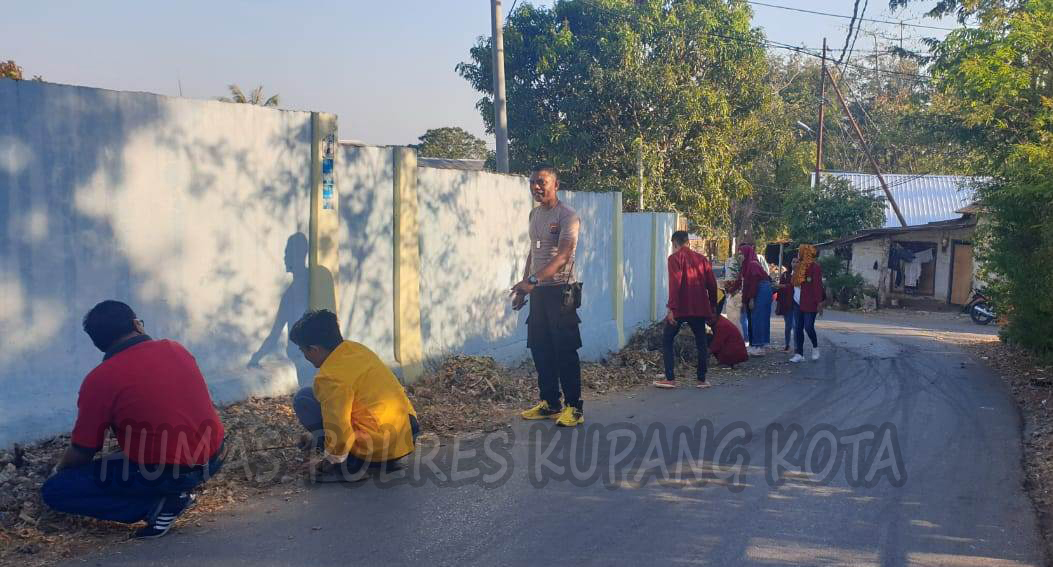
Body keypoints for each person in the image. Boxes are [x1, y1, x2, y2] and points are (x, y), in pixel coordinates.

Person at [41, 300, 225, 539]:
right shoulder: (175, 348)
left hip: (173, 471)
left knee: (56, 490)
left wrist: (59, 469)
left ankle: (156, 507)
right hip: (216, 456)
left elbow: (83, 450)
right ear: (137, 324)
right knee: (121, 458)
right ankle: (174, 490)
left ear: (99, 343)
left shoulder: (99, 380)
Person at [289, 310, 419, 481]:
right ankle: (385, 462)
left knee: (304, 398)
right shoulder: (357, 349)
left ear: (314, 349)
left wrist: (326, 464)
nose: (304, 356)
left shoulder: (329, 377)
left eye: (303, 350)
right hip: (407, 433)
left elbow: (338, 425)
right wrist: (314, 437)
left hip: (377, 446)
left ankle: (347, 468)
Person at [511, 166, 584, 427]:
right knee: (540, 349)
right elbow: (533, 253)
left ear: (556, 184)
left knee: (564, 350)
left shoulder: (568, 216)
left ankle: (574, 408)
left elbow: (563, 256)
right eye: (532, 183)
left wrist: (532, 281)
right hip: (539, 291)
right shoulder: (534, 214)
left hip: (562, 290)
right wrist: (524, 286)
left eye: (541, 182)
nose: (535, 187)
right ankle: (551, 403)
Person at [654, 231, 719, 389]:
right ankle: (702, 380)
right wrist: (712, 307)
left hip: (681, 308)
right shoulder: (702, 259)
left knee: (667, 339)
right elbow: (712, 285)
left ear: (675, 243)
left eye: (672, 245)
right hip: (699, 308)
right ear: (688, 242)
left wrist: (671, 308)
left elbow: (675, 284)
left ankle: (670, 379)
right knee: (701, 342)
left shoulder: (674, 258)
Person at [726, 244, 773, 356]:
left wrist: (751, 299)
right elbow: (742, 282)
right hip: (761, 290)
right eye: (739, 254)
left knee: (757, 317)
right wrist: (732, 291)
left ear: (747, 253)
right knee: (759, 317)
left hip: (760, 290)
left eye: (741, 254)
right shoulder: (747, 265)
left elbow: (753, 284)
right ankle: (761, 344)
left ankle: (759, 346)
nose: (740, 256)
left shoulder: (752, 265)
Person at [790, 245, 825, 363]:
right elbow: (793, 282)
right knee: (798, 328)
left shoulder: (815, 268)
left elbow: (817, 286)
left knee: (808, 327)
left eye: (800, 253)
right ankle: (799, 354)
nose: (798, 255)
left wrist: (819, 303)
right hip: (797, 302)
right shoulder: (798, 266)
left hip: (810, 302)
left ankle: (815, 347)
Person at [776, 258, 799, 352]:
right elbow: (780, 289)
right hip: (787, 303)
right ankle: (787, 344)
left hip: (798, 304)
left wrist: (785, 286)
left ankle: (797, 347)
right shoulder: (785, 274)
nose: (795, 264)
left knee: (795, 325)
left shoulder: (803, 275)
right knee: (788, 325)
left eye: (797, 262)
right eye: (793, 261)